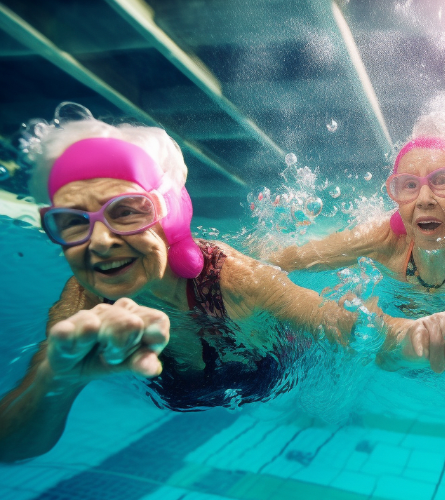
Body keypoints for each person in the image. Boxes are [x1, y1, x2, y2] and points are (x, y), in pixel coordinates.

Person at [0, 115, 361, 462]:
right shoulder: (81, 306)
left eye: (126, 211)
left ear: (169, 215)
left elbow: (341, 326)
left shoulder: (232, 279)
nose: (100, 242)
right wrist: (56, 379)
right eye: (72, 222)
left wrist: (405, 338)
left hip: (272, 376)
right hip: (186, 395)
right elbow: (9, 446)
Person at [270, 129, 445, 373]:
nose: (424, 199)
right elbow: (286, 259)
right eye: (409, 185)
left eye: (442, 181)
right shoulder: (380, 238)